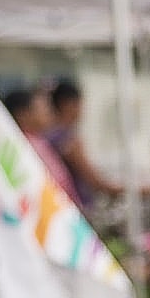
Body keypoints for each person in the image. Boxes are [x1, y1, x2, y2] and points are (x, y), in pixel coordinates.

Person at [46, 78, 125, 211]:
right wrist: (137, 189)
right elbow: (95, 182)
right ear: (68, 104)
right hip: (76, 207)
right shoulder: (68, 141)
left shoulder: (47, 136)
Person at [2, 85, 78, 201]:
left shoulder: (40, 141)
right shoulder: (24, 146)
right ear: (23, 114)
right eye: (43, 108)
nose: (49, 112)